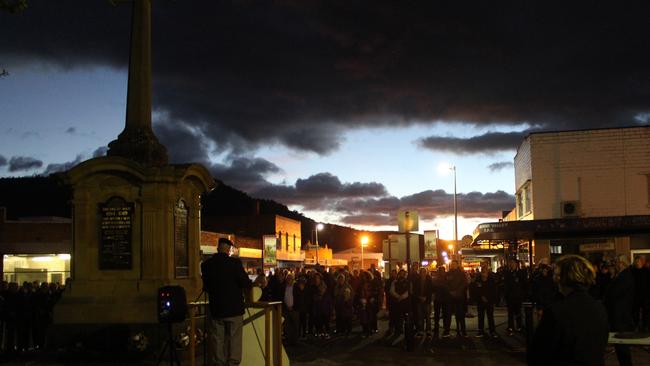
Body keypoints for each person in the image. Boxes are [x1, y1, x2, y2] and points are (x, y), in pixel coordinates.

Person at [528, 255, 609, 366]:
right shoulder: (598, 307)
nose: (555, 279)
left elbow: (539, 352)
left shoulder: (556, 311)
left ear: (562, 278)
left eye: (556, 275)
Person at [201, 238, 253, 366]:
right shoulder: (234, 263)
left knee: (218, 340)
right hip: (234, 310)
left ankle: (219, 363)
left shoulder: (207, 265)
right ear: (228, 249)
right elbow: (245, 283)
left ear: (218, 248)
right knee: (234, 341)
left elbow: (206, 287)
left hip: (216, 310)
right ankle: (233, 363)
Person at [604, 255, 636, 366]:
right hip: (619, 315)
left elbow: (613, 294)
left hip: (621, 316)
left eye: (616, 263)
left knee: (622, 346)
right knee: (620, 346)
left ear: (622, 264)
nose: (614, 265)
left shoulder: (625, 277)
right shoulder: (621, 276)